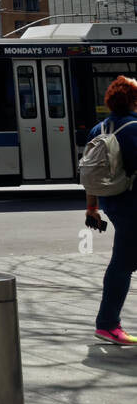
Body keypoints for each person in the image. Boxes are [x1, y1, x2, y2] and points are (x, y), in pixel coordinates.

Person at [87, 77, 137, 344]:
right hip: (132, 204)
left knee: (124, 261)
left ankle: (107, 323)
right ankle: (107, 324)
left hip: (112, 203)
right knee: (122, 263)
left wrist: (91, 208)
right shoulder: (134, 129)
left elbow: (90, 174)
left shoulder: (99, 128)